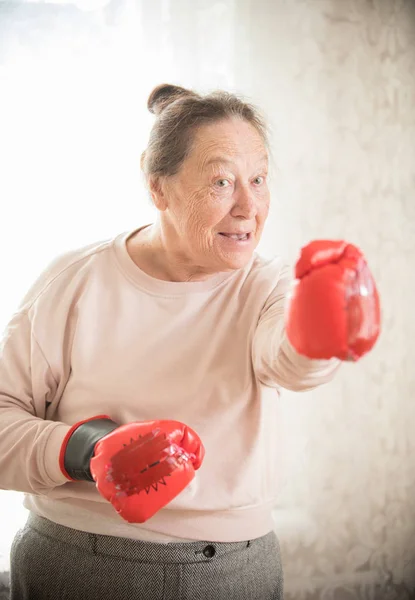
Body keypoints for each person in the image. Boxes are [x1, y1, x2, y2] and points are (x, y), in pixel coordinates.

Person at [0, 83, 380, 600]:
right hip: (74, 562)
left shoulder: (271, 287)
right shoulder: (75, 280)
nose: (249, 207)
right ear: (159, 188)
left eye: (259, 179)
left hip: (233, 573)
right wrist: (80, 450)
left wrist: (320, 335)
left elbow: (287, 361)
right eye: (222, 181)